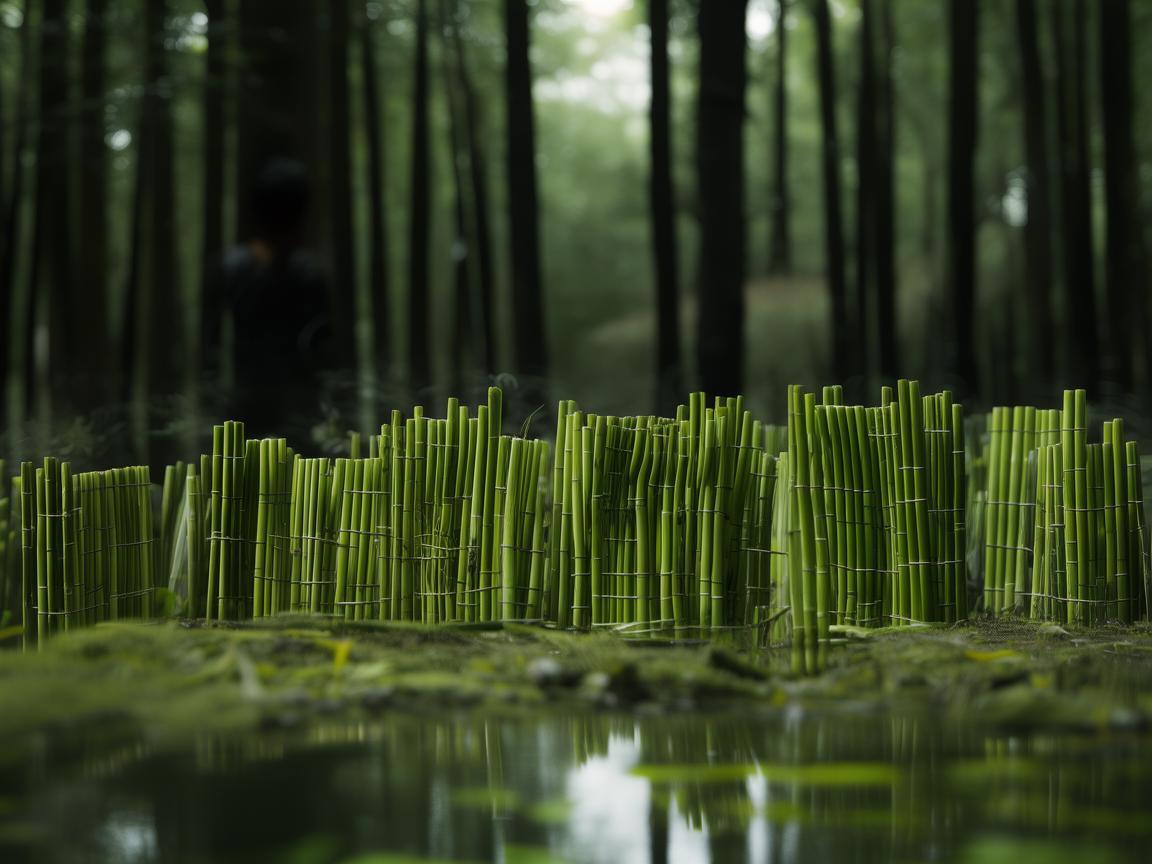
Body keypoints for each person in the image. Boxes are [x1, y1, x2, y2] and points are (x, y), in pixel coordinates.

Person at [203, 159, 334, 442]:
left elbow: (209, 346)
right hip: (295, 409)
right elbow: (322, 349)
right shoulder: (309, 272)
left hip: (245, 405)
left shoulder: (228, 266)